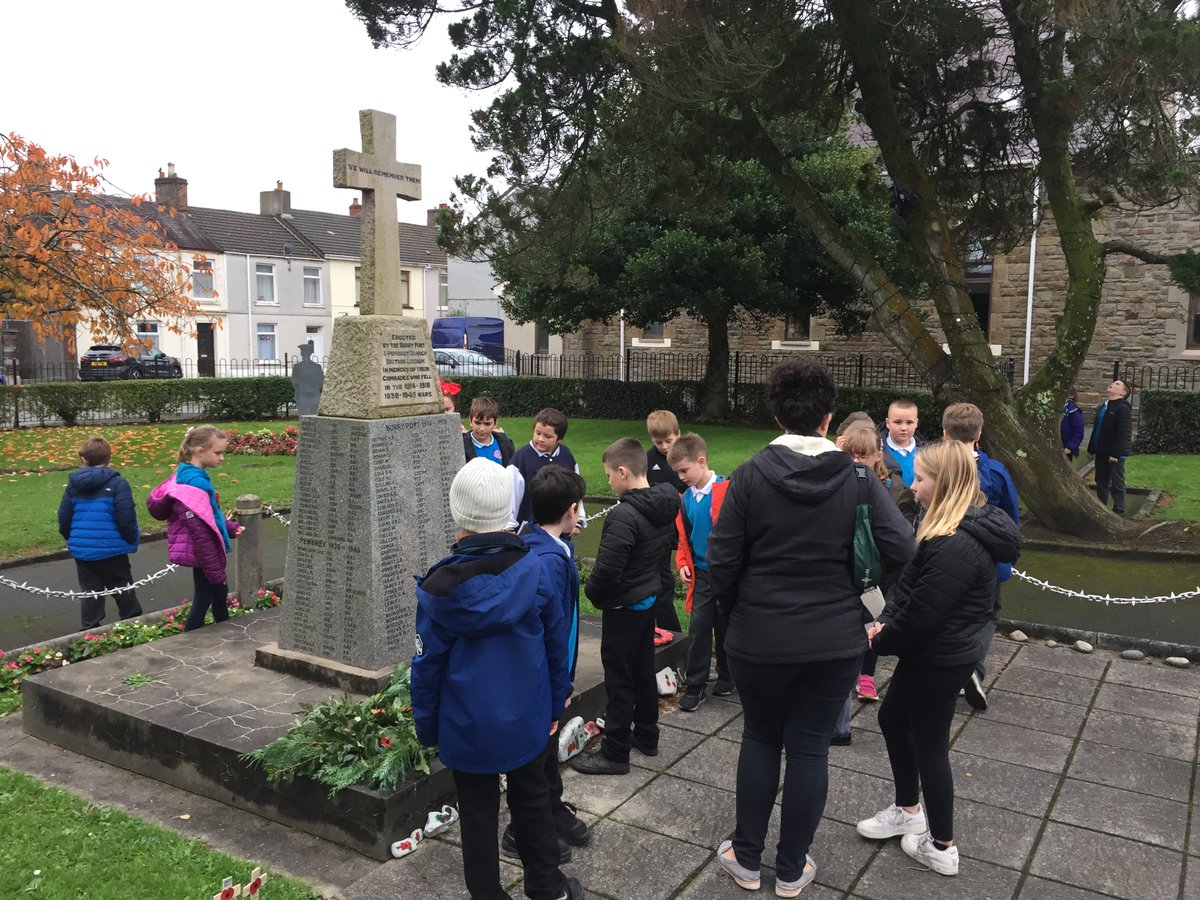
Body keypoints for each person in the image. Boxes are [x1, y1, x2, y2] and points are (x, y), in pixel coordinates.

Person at [707, 359, 915, 897]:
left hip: (759, 635)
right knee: (808, 750)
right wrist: (862, 594)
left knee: (759, 737)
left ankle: (747, 857)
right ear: (829, 418)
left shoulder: (749, 476)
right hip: (834, 640)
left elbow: (722, 562)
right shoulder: (859, 479)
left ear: (777, 415)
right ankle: (793, 867)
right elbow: (903, 549)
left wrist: (739, 612)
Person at [410, 458, 583, 900]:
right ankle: (547, 888)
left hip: (468, 724)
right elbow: (554, 645)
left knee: (478, 814)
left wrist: (428, 727)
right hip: (526, 714)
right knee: (532, 800)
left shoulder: (438, 590)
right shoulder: (536, 569)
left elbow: (426, 667)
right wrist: (555, 704)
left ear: (455, 510)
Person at [857, 441, 1020, 878]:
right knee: (892, 720)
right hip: (936, 652)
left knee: (929, 744)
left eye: (922, 478)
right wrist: (885, 619)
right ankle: (909, 811)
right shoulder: (944, 526)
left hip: (941, 657)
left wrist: (881, 639)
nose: (913, 484)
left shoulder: (956, 543)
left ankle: (942, 845)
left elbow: (924, 614)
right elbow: (911, 586)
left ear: (943, 484)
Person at [570, 438, 679, 776]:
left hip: (624, 607)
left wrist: (593, 593)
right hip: (648, 599)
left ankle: (615, 751)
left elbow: (606, 571)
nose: (608, 482)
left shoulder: (623, 515)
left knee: (619, 679)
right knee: (642, 668)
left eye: (608, 476)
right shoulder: (664, 502)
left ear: (622, 471)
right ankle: (647, 735)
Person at [500, 465, 592, 865]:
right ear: (572, 510)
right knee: (534, 761)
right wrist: (559, 685)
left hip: (552, 676)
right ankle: (522, 832)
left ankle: (550, 812)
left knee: (546, 754)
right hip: (546, 679)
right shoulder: (550, 560)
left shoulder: (541, 542)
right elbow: (554, 630)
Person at [833, 424, 919, 732]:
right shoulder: (837, 483)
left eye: (863, 456)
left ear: (876, 456)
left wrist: (880, 571)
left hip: (877, 576)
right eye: (850, 455)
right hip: (846, 574)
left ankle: (866, 675)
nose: (857, 461)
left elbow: (902, 539)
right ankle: (840, 722)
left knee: (870, 628)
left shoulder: (892, 489)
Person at [942, 402, 1020, 711]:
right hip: (986, 560)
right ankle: (971, 666)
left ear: (945, 434)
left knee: (948, 612)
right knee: (986, 615)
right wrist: (1008, 558)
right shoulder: (996, 472)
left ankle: (949, 668)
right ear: (979, 434)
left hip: (944, 555)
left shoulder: (933, 466)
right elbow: (1011, 519)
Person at [146, 426, 244, 632]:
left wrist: (230, 528)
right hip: (203, 552)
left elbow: (210, 514)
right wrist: (215, 569)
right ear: (199, 451)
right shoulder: (193, 484)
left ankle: (226, 634)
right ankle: (191, 638)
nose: (222, 458)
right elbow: (200, 533)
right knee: (207, 597)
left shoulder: (189, 475)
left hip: (203, 551)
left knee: (216, 595)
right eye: (218, 453)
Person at [668, 432, 732, 711]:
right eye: (677, 472)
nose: (681, 476)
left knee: (728, 629)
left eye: (684, 470)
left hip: (728, 576)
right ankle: (696, 685)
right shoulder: (685, 500)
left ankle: (729, 677)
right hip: (702, 574)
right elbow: (685, 537)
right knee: (700, 629)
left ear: (701, 461)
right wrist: (683, 562)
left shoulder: (727, 491)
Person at [58, 436, 144, 630]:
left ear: (84, 459)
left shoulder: (73, 485)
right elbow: (125, 516)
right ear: (108, 458)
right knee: (123, 586)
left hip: (85, 550)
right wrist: (130, 538)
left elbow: (65, 517)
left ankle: (89, 629)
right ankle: (133, 624)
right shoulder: (118, 483)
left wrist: (71, 538)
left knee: (90, 591)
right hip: (113, 548)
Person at [508, 408, 586, 533]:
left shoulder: (566, 455)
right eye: (538, 433)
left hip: (561, 530)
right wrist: (509, 527)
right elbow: (511, 494)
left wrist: (578, 520)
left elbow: (576, 491)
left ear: (558, 438)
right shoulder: (521, 458)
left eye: (547, 436)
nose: (540, 439)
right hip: (529, 531)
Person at [646, 409, 685, 632]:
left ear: (677, 435)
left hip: (683, 526)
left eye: (668, 440)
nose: (663, 446)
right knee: (662, 582)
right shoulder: (648, 460)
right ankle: (669, 629)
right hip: (659, 528)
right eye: (658, 442)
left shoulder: (685, 457)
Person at [1087, 379, 1134, 516]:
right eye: (1114, 382)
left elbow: (1123, 432)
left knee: (1116, 481)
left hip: (1114, 453)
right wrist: (1091, 449)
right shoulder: (1104, 407)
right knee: (1101, 480)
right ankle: (1101, 507)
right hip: (1101, 450)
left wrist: (1116, 454)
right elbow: (1097, 429)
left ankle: (1119, 510)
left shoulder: (1123, 408)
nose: (1112, 384)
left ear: (1123, 392)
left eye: (1117, 384)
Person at [463, 395, 516, 466]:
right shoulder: (462, 445)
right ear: (470, 421)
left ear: (495, 424)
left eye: (487, 424)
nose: (482, 428)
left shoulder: (505, 443)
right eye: (477, 423)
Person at [880, 399, 922, 487]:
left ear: (916, 423)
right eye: (898, 422)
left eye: (909, 422)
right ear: (887, 423)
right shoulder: (877, 453)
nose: (903, 428)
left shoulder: (926, 454)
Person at [1060, 388, 1084, 461]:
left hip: (1065, 448)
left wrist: (1070, 448)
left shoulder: (1073, 411)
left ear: (1071, 396)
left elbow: (1078, 431)